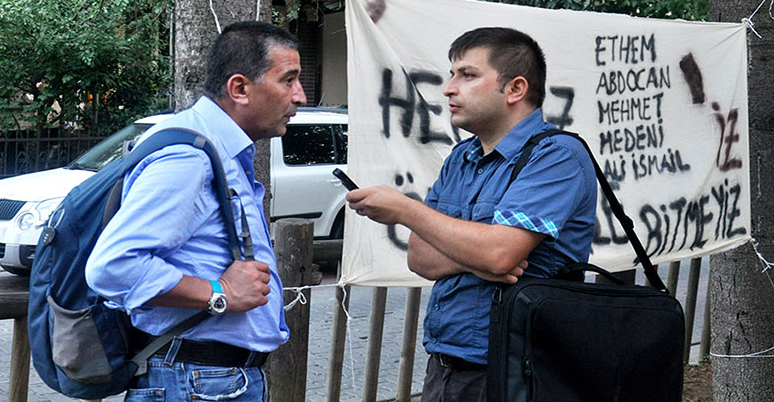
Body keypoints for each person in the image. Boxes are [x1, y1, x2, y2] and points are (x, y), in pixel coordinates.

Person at [347, 27, 597, 402]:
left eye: (467, 75)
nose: (449, 88)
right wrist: (477, 258)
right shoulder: (462, 158)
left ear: (515, 89)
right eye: (451, 74)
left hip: (520, 374)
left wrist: (405, 209)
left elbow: (499, 255)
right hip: (446, 367)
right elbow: (420, 257)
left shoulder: (557, 155)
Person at [85, 21, 306, 401]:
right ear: (239, 88)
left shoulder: (212, 146)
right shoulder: (189, 158)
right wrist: (218, 292)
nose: (300, 95)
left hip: (204, 380)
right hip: (195, 381)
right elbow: (113, 266)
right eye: (288, 80)